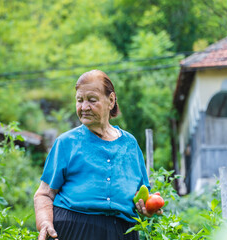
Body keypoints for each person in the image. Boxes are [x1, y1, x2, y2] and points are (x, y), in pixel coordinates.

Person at [34, 70, 162, 240]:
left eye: (92, 100)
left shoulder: (130, 145)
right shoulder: (66, 142)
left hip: (121, 232)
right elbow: (44, 194)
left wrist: (147, 207)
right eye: (79, 101)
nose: (84, 107)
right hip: (73, 230)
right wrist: (44, 223)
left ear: (111, 100)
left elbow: (141, 194)